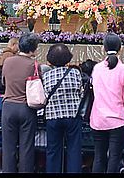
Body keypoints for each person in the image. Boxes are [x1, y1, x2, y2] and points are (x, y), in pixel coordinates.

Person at [89, 33, 124, 173]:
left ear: (104, 48)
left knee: (99, 157)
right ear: (121, 48)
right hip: (118, 120)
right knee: (114, 157)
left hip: (98, 119)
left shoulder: (97, 68)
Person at [1, 33, 40, 173]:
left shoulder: (8, 61)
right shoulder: (34, 65)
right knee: (27, 147)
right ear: (32, 49)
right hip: (26, 107)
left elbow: (3, 82)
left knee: (8, 147)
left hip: (9, 105)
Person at [42, 43, 83, 173]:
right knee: (74, 149)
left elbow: (44, 96)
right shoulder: (75, 73)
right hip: (73, 116)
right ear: (68, 58)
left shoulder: (47, 76)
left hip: (53, 116)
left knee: (53, 150)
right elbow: (81, 93)